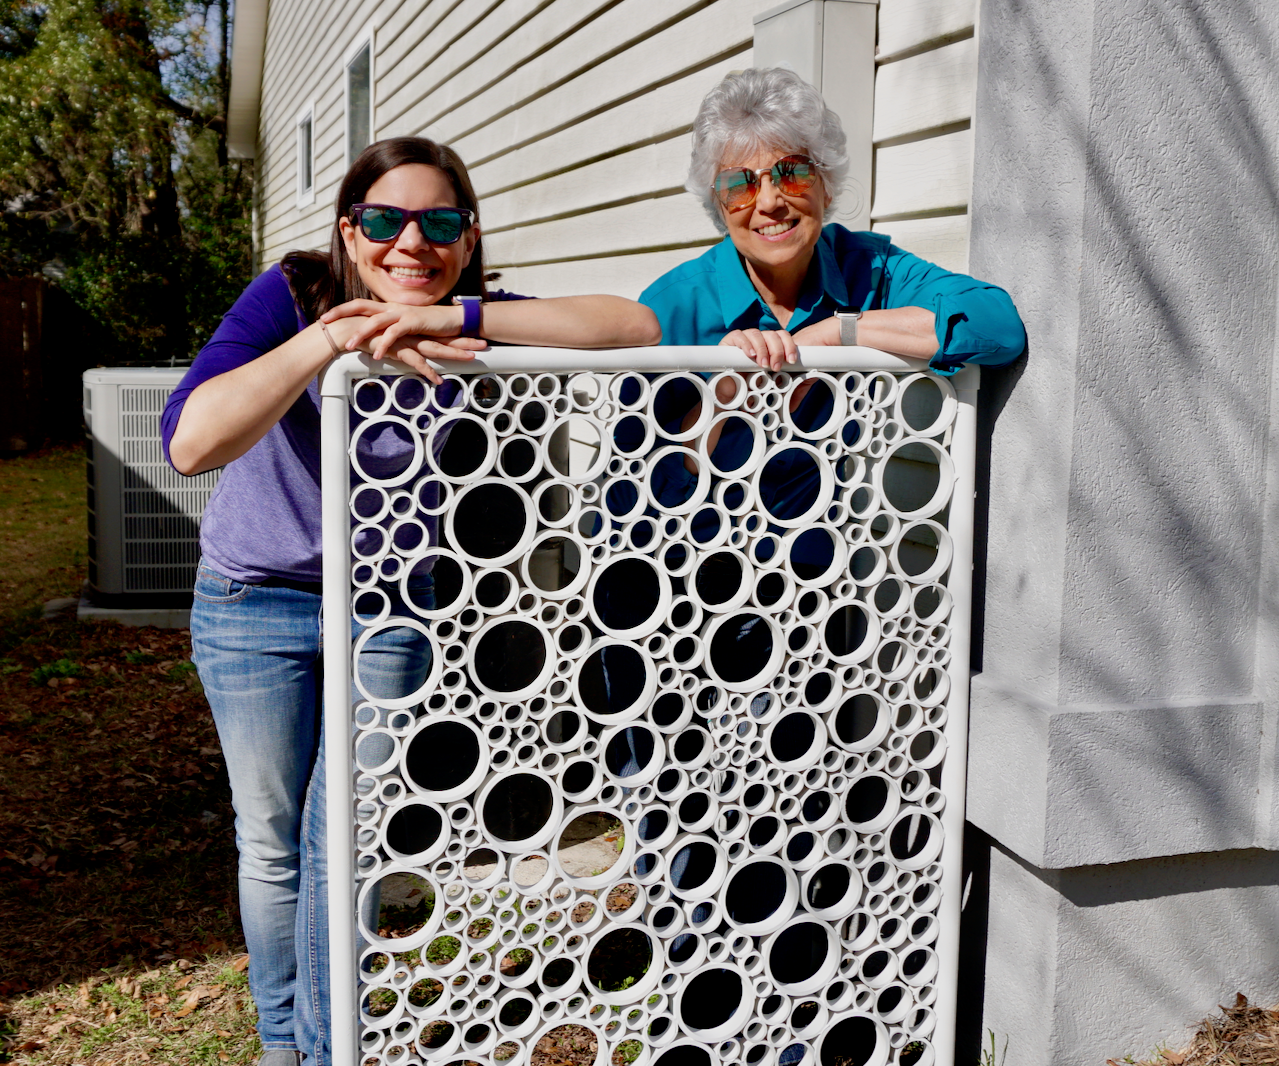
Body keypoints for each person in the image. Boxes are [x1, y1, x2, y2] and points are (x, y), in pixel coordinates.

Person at [162, 136, 659, 1066]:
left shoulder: (471, 314)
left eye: (439, 223)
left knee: (341, 838)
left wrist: (460, 318)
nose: (410, 244)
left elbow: (632, 327)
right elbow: (191, 442)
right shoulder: (292, 292)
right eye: (385, 221)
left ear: (467, 239)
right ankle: (285, 1041)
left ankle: (323, 1045)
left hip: (385, 608)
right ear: (351, 231)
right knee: (270, 839)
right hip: (251, 603)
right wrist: (328, 340)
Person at [639, 66, 1026, 455]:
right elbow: (626, 490)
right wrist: (722, 399)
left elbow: (999, 326)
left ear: (826, 187)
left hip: (830, 517)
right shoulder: (669, 310)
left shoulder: (870, 270)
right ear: (719, 209)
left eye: (792, 173)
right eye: (739, 185)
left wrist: (836, 332)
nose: (771, 202)